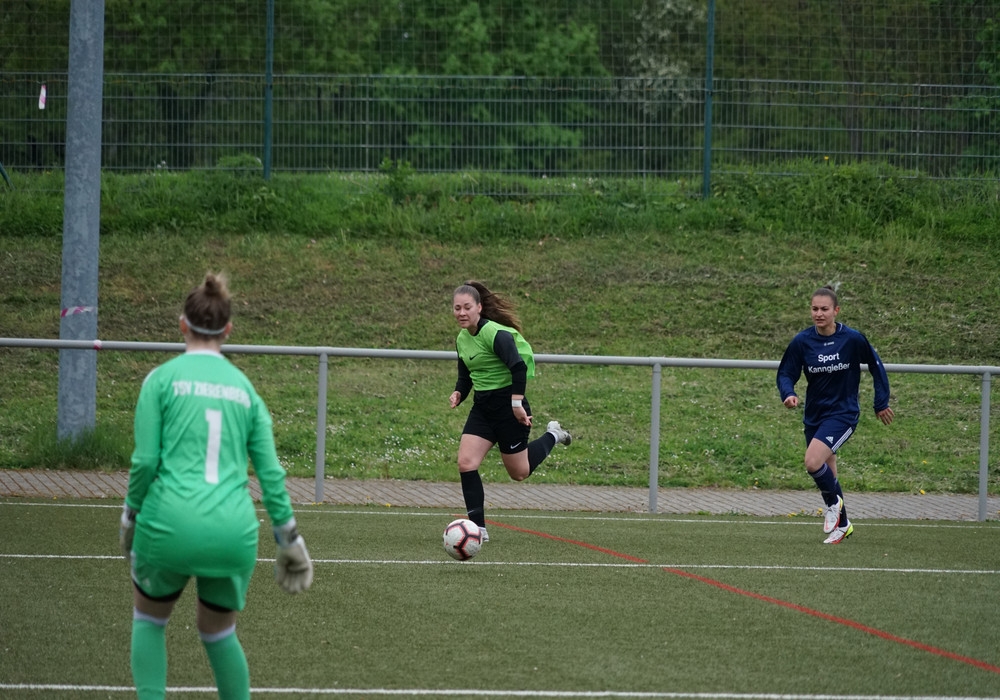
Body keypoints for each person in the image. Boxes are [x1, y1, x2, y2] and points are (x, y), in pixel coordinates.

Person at [118, 272, 314, 700]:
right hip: (232, 531)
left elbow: (146, 461)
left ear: (183, 325)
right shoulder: (246, 391)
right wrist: (290, 539)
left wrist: (130, 515)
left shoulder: (161, 380)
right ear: (228, 330)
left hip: (167, 523)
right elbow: (270, 473)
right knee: (218, 633)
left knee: (149, 621)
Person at [449, 281, 572, 542]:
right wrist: (459, 392)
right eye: (457, 308)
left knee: (519, 473)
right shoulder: (461, 339)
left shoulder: (496, 334)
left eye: (467, 307)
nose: (461, 312)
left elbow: (518, 368)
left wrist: (516, 405)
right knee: (466, 463)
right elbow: (466, 374)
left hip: (509, 408)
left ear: (479, 307)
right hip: (482, 409)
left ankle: (553, 434)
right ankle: (478, 529)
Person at [777, 285, 895, 544]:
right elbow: (786, 372)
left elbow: (876, 367)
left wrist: (881, 402)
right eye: (814, 309)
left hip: (843, 414)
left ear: (836, 310)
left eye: (824, 309)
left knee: (812, 462)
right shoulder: (802, 341)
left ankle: (833, 505)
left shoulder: (852, 339)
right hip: (814, 415)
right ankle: (843, 525)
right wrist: (788, 393)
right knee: (827, 471)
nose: (819, 314)